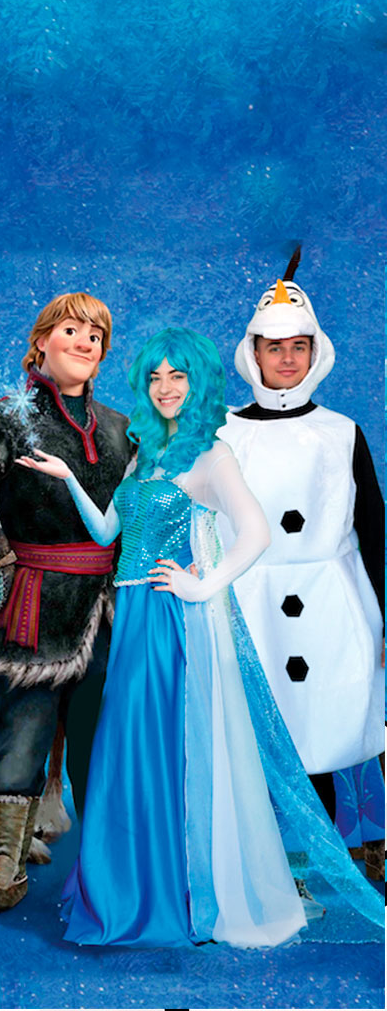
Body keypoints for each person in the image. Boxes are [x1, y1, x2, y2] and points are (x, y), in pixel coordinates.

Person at [18, 327, 383, 948]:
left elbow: (256, 532)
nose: (165, 388)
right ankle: (130, 885)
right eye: (156, 377)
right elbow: (107, 533)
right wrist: (68, 478)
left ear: (200, 382)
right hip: (133, 617)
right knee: (125, 747)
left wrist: (202, 584)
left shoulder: (212, 457)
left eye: (178, 376)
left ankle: (177, 891)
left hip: (170, 619)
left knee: (165, 747)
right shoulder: (144, 454)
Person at [0, 292, 134, 913]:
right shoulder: (5, 419)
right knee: (23, 727)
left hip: (112, 605)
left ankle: (112, 866)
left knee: (106, 736)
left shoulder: (123, 428)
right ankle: (6, 862)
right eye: (71, 330)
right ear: (41, 342)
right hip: (33, 597)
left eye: (95, 335)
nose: (84, 342)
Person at [218, 255, 385, 881]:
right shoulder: (226, 433)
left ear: (316, 351)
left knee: (339, 719)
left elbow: (374, 529)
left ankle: (354, 846)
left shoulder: (343, 433)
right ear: (253, 354)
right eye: (274, 347)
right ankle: (274, 862)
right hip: (252, 601)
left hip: (335, 601)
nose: (287, 359)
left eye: (298, 346)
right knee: (269, 727)